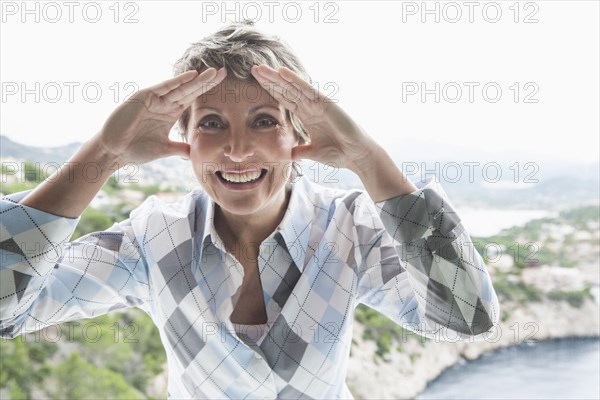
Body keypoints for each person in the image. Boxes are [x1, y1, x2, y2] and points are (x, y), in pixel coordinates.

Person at [0, 20, 500, 399]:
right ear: (185, 138)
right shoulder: (152, 236)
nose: (237, 151)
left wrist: (369, 160)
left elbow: (465, 318)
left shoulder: (353, 229)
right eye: (212, 123)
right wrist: (102, 156)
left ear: (300, 134)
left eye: (264, 121)